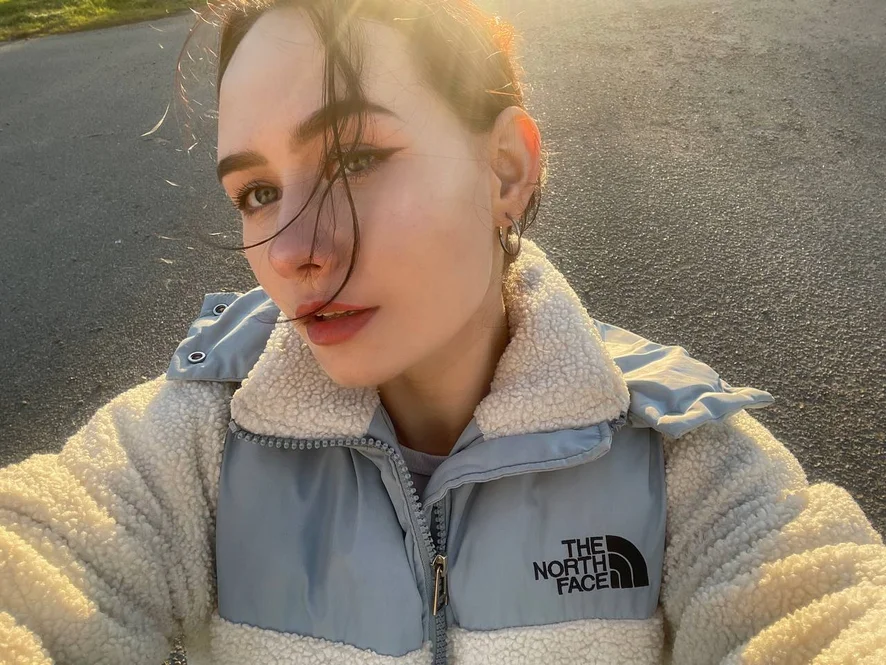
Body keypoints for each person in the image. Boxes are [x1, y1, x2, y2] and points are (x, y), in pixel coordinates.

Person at [2, 0, 885, 663]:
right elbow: (39, 563)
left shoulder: (680, 458)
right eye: (258, 193)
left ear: (505, 170)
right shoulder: (196, 442)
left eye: (354, 158)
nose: (296, 251)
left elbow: (823, 609)